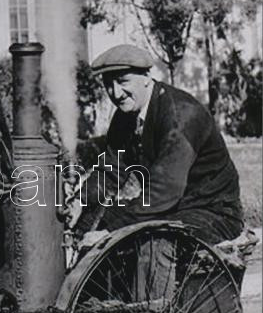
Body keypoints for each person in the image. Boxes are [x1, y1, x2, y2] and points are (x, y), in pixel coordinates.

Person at [79, 44, 244, 245]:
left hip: (212, 212)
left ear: (147, 77)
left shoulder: (179, 116)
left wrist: (112, 231)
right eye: (108, 84)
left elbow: (165, 189)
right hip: (171, 207)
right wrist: (81, 201)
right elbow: (111, 169)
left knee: (153, 245)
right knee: (92, 220)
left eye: (123, 81)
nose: (116, 93)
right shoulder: (125, 116)